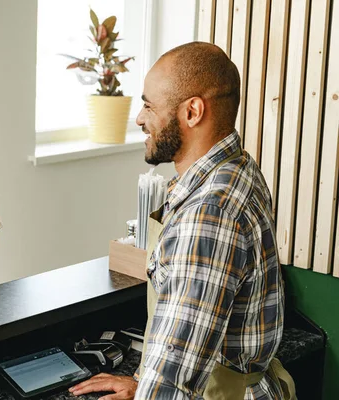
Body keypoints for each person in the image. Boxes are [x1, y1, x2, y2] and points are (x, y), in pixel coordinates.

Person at [69, 42, 295, 399]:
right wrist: (145, 383)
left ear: (192, 112)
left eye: (148, 106)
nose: (140, 119)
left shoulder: (209, 213)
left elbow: (174, 383)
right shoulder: (235, 168)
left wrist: (154, 389)